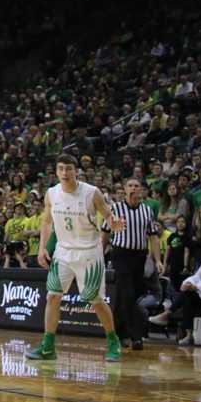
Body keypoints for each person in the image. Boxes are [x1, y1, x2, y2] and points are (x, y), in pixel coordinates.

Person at [27, 154, 125, 362]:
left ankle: (113, 341)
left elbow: (108, 214)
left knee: (95, 301)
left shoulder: (91, 193)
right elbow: (46, 223)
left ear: (76, 171)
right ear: (56, 171)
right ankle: (48, 346)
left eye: (68, 168)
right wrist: (43, 248)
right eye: (61, 168)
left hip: (89, 253)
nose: (64, 173)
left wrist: (113, 222)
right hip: (62, 252)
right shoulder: (51, 194)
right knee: (53, 296)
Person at [106, 178, 163, 350]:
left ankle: (118, 332)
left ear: (141, 190)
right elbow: (104, 233)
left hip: (140, 256)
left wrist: (158, 259)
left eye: (136, 186)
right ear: (124, 189)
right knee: (128, 293)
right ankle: (134, 336)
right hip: (121, 255)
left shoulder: (147, 210)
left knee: (132, 296)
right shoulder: (115, 208)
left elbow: (153, 236)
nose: (133, 188)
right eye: (130, 185)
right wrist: (99, 255)